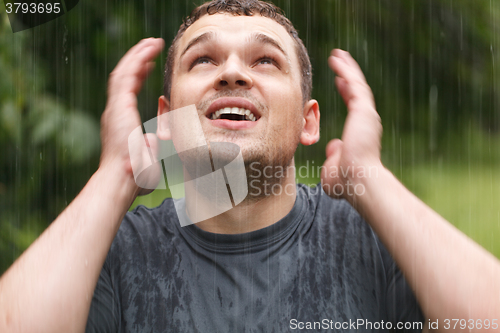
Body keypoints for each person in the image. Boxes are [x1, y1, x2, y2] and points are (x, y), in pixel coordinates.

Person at [1, 0, 499, 332]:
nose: (233, 72)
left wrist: (372, 180)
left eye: (265, 61)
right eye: (203, 61)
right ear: (166, 120)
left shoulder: (376, 240)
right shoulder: (110, 252)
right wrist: (116, 179)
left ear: (309, 123)